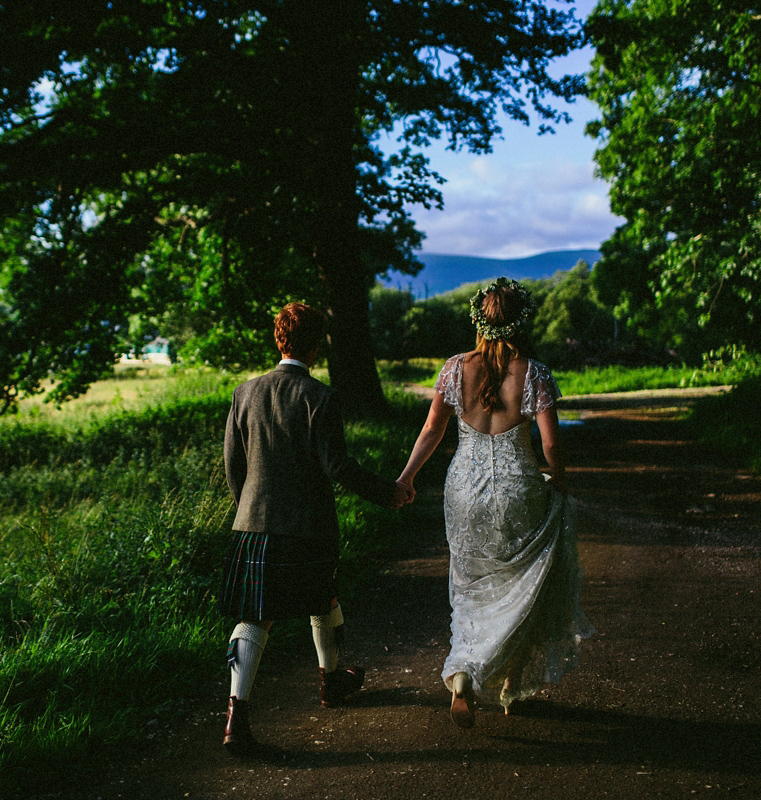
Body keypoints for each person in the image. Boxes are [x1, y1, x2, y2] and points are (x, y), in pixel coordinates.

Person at [396, 277, 594, 727]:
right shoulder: (535, 373)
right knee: (522, 585)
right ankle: (508, 683)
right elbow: (551, 444)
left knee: (470, 587)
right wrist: (558, 480)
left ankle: (465, 672)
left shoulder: (452, 369)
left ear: (478, 320)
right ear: (523, 322)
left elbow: (432, 430)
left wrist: (406, 478)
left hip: (463, 488)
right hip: (518, 486)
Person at [219, 302, 414, 754]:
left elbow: (233, 465)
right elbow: (338, 467)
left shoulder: (244, 393)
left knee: (255, 616)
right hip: (307, 528)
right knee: (322, 598)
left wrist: (250, 510)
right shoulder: (320, 397)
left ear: (278, 340)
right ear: (316, 345)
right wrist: (389, 492)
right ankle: (329, 682)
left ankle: (236, 719)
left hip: (253, 525)